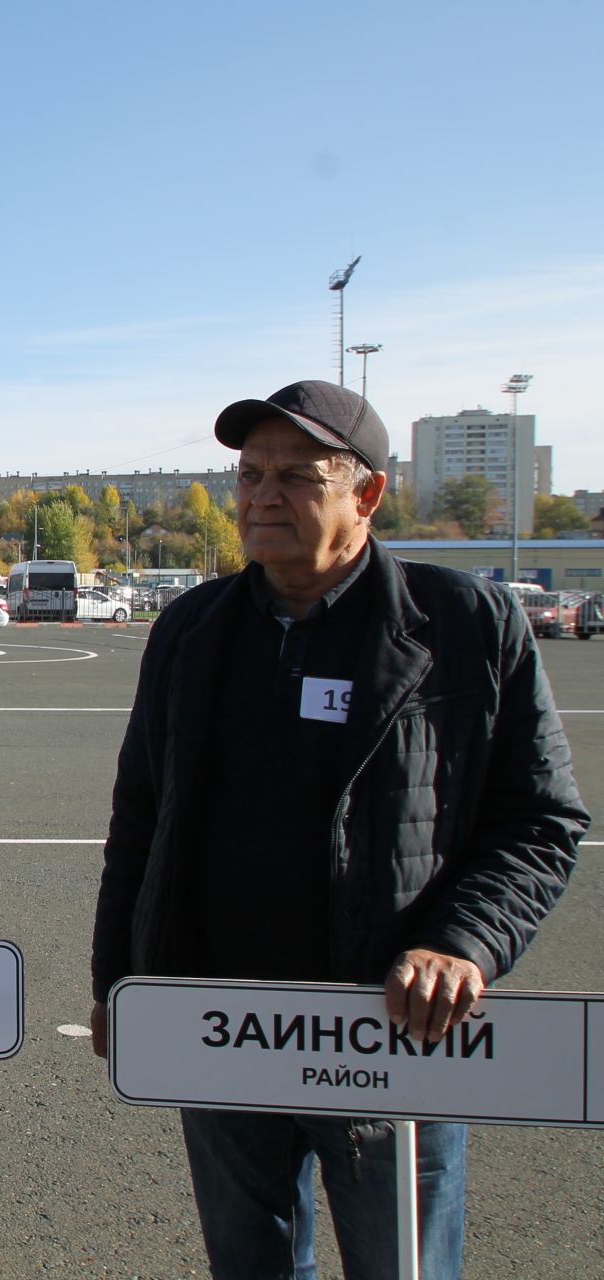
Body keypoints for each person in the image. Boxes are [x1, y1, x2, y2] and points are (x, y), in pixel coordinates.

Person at [89, 380, 589, 1279]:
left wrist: (461, 942)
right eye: (249, 475)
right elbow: (141, 820)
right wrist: (120, 982)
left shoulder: (471, 627)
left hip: (387, 1035)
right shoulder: (191, 630)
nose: (261, 497)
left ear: (365, 495)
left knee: (403, 1265)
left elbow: (541, 820)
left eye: (296, 476)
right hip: (224, 1025)